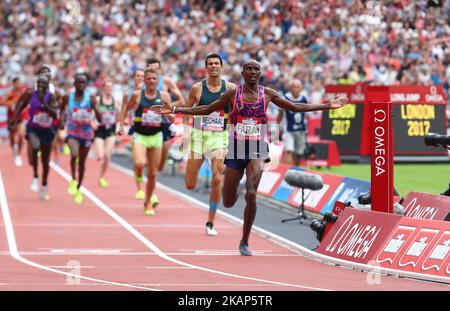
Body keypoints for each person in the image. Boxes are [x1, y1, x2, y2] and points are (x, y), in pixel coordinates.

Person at [152, 60, 348, 255]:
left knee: (252, 193)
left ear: (260, 73)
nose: (253, 72)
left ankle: (245, 240)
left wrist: (327, 106)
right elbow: (206, 109)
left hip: (256, 148)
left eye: (256, 69)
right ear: (243, 73)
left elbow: (294, 107)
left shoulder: (268, 94)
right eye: (249, 69)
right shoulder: (232, 94)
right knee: (228, 201)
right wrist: (176, 110)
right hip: (236, 148)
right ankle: (235, 185)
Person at [184, 53, 235, 236]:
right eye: (210, 64)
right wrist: (186, 133)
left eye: (216, 63)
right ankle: (193, 174)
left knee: (216, 176)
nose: (213, 66)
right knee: (189, 184)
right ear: (206, 67)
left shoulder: (230, 88)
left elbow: (237, 112)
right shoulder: (197, 88)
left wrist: (232, 131)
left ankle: (210, 222)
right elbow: (187, 110)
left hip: (219, 135)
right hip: (199, 134)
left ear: (221, 67)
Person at [118, 67, 172, 216]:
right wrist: (122, 125)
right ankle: (140, 176)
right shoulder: (136, 95)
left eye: (154, 78)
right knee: (140, 163)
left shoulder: (164, 96)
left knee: (153, 174)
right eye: (148, 78)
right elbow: (125, 109)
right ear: (144, 80)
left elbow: (171, 114)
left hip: (156, 136)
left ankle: (148, 202)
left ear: (158, 80)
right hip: (140, 135)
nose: (151, 81)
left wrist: (169, 114)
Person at [8, 75, 59, 200]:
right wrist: (14, 118)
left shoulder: (51, 96)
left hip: (47, 130)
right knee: (35, 147)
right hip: (34, 128)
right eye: (39, 84)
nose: (41, 87)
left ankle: (44, 184)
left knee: (45, 161)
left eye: (44, 85)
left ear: (47, 86)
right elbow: (21, 104)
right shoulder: (31, 94)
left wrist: (44, 104)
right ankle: (36, 176)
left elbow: (54, 114)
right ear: (37, 85)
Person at [60, 73, 102, 204]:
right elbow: (61, 110)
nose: (81, 85)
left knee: (82, 163)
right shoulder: (68, 97)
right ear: (74, 84)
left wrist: (95, 107)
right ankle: (73, 180)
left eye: (83, 82)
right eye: (79, 82)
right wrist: (61, 121)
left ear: (86, 84)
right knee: (74, 154)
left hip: (87, 133)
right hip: (72, 132)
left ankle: (79, 187)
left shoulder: (90, 98)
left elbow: (100, 118)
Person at [145, 58, 185, 173]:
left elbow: (181, 101)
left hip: (163, 121)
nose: (154, 72)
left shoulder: (166, 82)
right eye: (151, 69)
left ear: (160, 69)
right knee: (149, 161)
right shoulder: (142, 83)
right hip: (147, 122)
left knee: (160, 166)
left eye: (156, 69)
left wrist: (165, 108)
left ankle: (158, 168)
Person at [119, 68, 146, 199]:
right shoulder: (128, 94)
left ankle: (149, 186)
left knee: (149, 161)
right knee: (138, 161)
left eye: (142, 76)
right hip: (135, 129)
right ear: (134, 78)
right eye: (138, 75)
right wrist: (123, 122)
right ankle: (140, 187)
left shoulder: (152, 93)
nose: (140, 78)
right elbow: (123, 110)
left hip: (151, 129)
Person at [93, 80, 119, 188]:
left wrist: (120, 122)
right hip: (100, 129)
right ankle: (100, 164)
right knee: (100, 156)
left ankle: (101, 177)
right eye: (107, 87)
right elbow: (91, 112)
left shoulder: (115, 101)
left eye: (111, 87)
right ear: (104, 88)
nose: (109, 89)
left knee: (107, 155)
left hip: (111, 130)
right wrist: (93, 122)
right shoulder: (99, 100)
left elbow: (119, 114)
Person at [277, 79, 309, 166]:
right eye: (294, 87)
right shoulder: (285, 98)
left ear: (301, 88)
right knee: (289, 150)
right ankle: (286, 171)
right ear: (290, 88)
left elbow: (306, 115)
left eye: (298, 87)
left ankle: (296, 170)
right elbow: (280, 115)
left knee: (299, 153)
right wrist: (277, 128)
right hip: (288, 129)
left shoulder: (305, 98)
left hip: (301, 129)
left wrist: (307, 128)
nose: (296, 89)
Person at [2, 77, 27, 166]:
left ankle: (18, 154)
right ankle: (14, 149)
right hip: (12, 119)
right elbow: (1, 102)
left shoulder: (25, 93)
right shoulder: (10, 93)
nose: (19, 85)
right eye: (17, 83)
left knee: (20, 135)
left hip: (22, 118)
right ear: (14, 84)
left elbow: (29, 103)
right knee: (12, 138)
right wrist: (12, 102)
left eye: (20, 83)